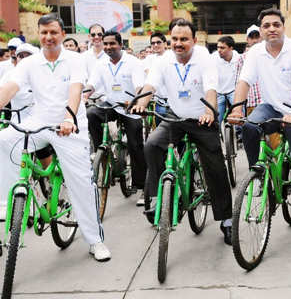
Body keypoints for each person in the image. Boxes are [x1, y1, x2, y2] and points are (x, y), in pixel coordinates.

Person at [0, 14, 110, 261]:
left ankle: (95, 240)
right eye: (43, 33)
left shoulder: (75, 60)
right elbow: (9, 88)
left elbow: (75, 89)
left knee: (81, 183)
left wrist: (69, 118)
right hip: (38, 121)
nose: (48, 37)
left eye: (53, 32)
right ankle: (8, 206)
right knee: (4, 140)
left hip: (70, 126)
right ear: (38, 35)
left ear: (61, 34)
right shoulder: (29, 63)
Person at [229, 8, 291, 243]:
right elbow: (244, 81)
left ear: (283, 27)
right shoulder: (255, 52)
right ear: (261, 30)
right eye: (266, 25)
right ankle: (259, 174)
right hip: (271, 107)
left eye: (276, 24)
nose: (271, 29)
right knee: (249, 126)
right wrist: (236, 108)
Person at [130, 19, 234, 245]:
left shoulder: (204, 59)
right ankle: (160, 197)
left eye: (184, 39)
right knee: (152, 145)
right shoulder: (164, 60)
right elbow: (150, 86)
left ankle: (226, 220)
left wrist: (209, 112)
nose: (178, 43)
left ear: (194, 41)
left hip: (202, 120)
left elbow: (211, 89)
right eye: (175, 39)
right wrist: (142, 102)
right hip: (175, 118)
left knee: (215, 168)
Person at [85, 31, 147, 206]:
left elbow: (139, 86)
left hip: (130, 107)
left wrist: (136, 100)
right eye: (105, 44)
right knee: (91, 114)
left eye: (112, 44)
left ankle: (142, 187)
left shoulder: (133, 62)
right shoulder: (101, 63)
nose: (108, 47)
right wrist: (85, 94)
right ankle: (102, 154)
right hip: (111, 104)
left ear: (120, 45)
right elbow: (92, 83)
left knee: (136, 144)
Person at [213, 36, 242, 123]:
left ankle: (240, 134)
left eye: (222, 48)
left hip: (234, 91)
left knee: (239, 116)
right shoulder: (213, 58)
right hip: (219, 92)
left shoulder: (239, 58)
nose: (219, 50)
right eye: (218, 47)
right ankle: (219, 135)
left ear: (231, 48)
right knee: (218, 120)